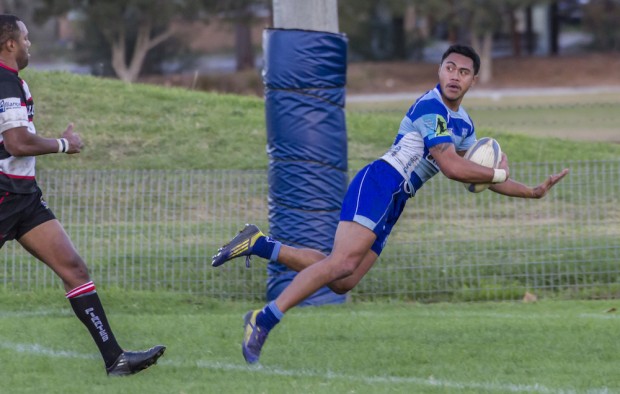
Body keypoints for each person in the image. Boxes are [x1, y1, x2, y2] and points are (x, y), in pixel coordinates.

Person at [212, 44, 570, 364]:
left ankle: (259, 244)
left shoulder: (463, 124)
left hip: (396, 198)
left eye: (463, 72)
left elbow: (471, 171)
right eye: (449, 67)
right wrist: (496, 174)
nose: (454, 76)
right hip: (382, 181)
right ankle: (264, 318)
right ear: (439, 70)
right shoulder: (432, 106)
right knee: (341, 262)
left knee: (343, 280)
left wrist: (531, 191)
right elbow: (451, 167)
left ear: (473, 80)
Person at [0, 14, 165, 376]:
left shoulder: (12, 81)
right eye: (26, 38)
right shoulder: (4, 81)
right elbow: (16, 142)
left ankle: (115, 360)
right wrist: (64, 144)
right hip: (3, 196)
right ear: (10, 43)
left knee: (74, 269)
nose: (30, 44)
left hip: (23, 197)